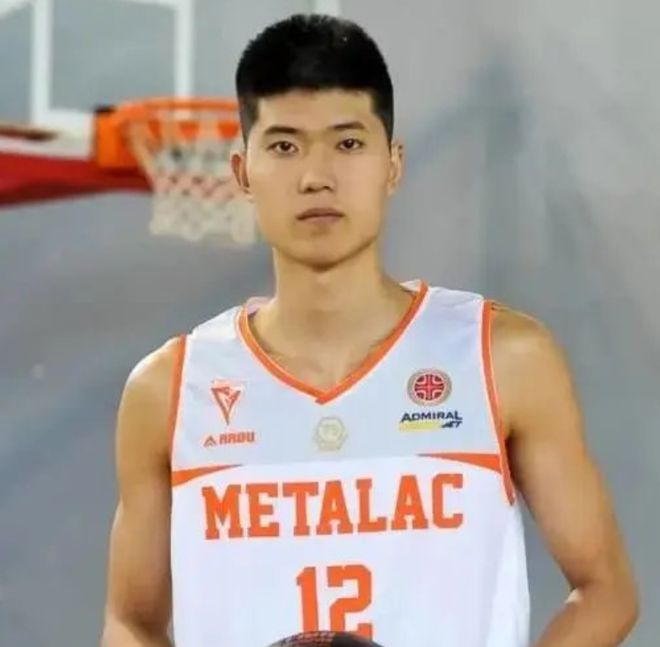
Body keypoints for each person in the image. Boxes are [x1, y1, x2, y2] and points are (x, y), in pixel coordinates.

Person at [100, 13, 638, 647]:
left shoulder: (501, 357)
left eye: (348, 143)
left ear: (393, 164)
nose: (316, 176)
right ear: (242, 173)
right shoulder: (171, 389)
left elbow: (606, 592)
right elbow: (130, 622)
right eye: (285, 146)